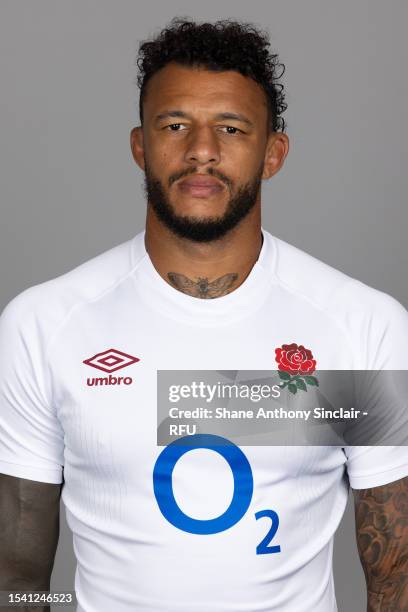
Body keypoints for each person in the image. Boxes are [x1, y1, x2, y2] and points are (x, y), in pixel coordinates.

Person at [0, 17, 407, 612]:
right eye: (175, 124)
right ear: (141, 145)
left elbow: (396, 570)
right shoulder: (43, 324)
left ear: (273, 154)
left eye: (232, 128)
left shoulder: (364, 327)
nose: (202, 151)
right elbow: (18, 576)